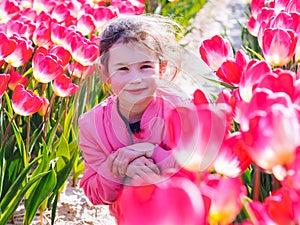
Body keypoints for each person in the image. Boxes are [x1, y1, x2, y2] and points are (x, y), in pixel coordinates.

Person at [78, 14, 190, 221]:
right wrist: (119, 170)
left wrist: (151, 153)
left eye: (145, 67)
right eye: (123, 69)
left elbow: (195, 172)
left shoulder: (180, 111)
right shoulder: (91, 125)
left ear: (162, 69)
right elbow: (93, 192)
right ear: (105, 73)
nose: (135, 79)